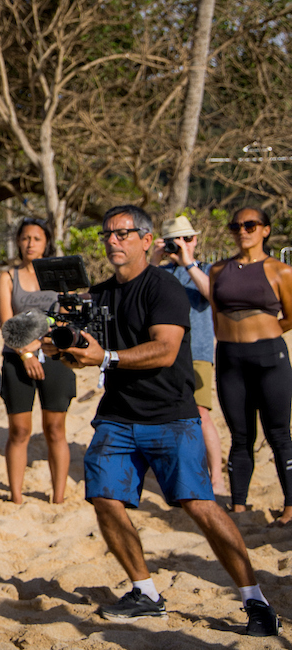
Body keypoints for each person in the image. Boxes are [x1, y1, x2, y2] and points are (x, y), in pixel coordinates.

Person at [46, 205, 277, 635]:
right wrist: (63, 351)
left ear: (147, 240)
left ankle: (254, 599)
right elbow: (84, 357)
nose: (113, 241)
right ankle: (146, 592)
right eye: (107, 235)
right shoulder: (97, 295)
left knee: (200, 506)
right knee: (104, 498)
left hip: (171, 416)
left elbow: (165, 350)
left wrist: (106, 357)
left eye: (123, 233)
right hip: (116, 416)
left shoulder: (164, 288)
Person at [208, 207, 292, 524]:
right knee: (240, 435)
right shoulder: (218, 270)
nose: (242, 230)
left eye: (250, 225)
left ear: (265, 230)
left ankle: (289, 508)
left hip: (270, 358)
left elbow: (290, 315)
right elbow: (216, 316)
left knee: (279, 434)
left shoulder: (280, 270)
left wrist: (265, 333)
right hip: (230, 358)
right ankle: (239, 506)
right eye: (236, 226)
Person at [0, 218, 77, 504]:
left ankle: (58, 498)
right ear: (18, 241)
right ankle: (16, 497)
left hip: (56, 356)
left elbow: (69, 318)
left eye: (37, 238)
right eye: (26, 238)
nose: (31, 243)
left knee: (55, 429)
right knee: (20, 430)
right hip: (17, 359)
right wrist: (26, 353)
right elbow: (6, 325)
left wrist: (43, 343)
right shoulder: (8, 277)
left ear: (47, 242)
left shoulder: (59, 277)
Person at [153, 216, 226, 495]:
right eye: (175, 240)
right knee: (168, 415)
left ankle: (216, 476)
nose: (181, 245)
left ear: (195, 240)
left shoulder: (207, 269)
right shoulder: (159, 272)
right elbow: (139, 290)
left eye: (186, 239)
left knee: (201, 414)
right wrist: (155, 259)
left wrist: (188, 263)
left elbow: (214, 296)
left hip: (198, 352)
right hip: (165, 351)